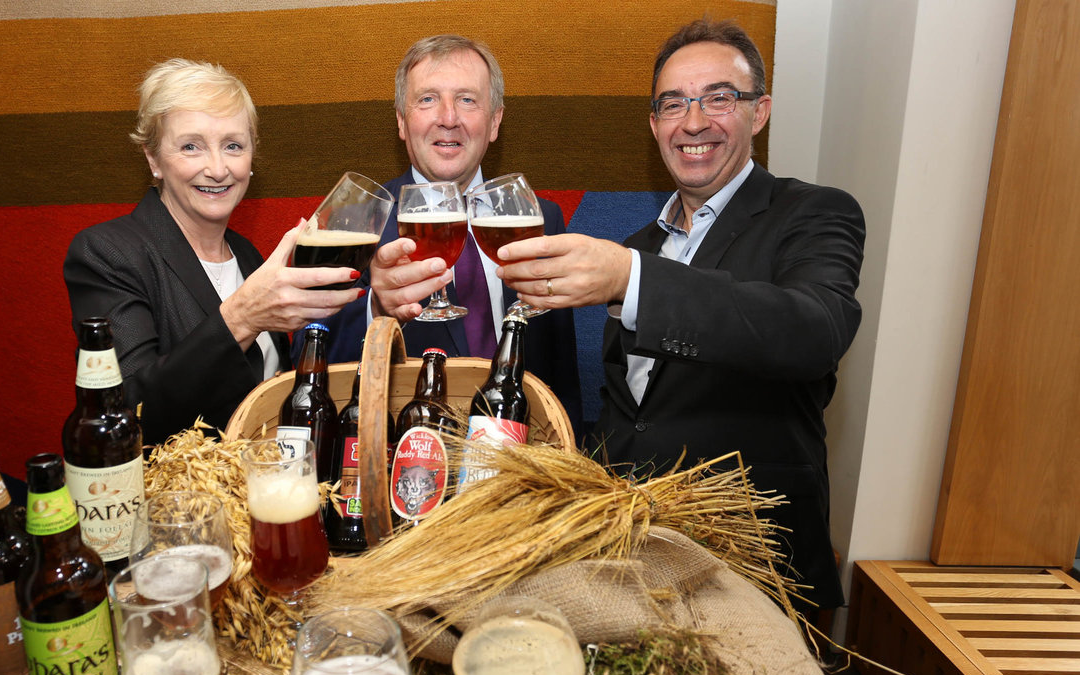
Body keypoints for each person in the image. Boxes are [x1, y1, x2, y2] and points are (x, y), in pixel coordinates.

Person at [494, 19, 863, 610]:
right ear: (654, 124)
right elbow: (630, 412)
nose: (693, 122)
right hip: (628, 567)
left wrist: (631, 280)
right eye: (673, 104)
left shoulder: (814, 213)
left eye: (719, 98)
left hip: (752, 568)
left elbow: (813, 330)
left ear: (759, 111)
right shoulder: (638, 245)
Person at [65, 60, 362, 444]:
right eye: (191, 146)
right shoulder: (107, 253)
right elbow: (126, 415)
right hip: (177, 500)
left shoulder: (249, 257)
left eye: (233, 146)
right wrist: (240, 319)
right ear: (153, 159)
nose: (218, 168)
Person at [298, 35, 582, 424]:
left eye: (467, 100)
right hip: (401, 455)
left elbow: (559, 370)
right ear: (401, 121)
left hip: (521, 459)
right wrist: (377, 310)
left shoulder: (541, 220)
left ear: (495, 122)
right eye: (427, 99)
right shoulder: (353, 220)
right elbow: (305, 352)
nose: (449, 117)